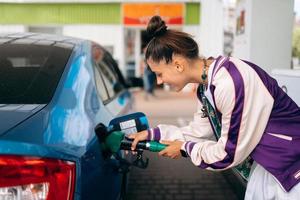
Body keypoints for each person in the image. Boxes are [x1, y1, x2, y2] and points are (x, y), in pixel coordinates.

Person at [128, 15, 300, 199]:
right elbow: (199, 132)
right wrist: (152, 134)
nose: (159, 81)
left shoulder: (231, 82)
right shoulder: (206, 87)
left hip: (291, 169)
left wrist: (185, 148)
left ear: (178, 65)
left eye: (159, 73)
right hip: (270, 166)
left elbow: (228, 154)